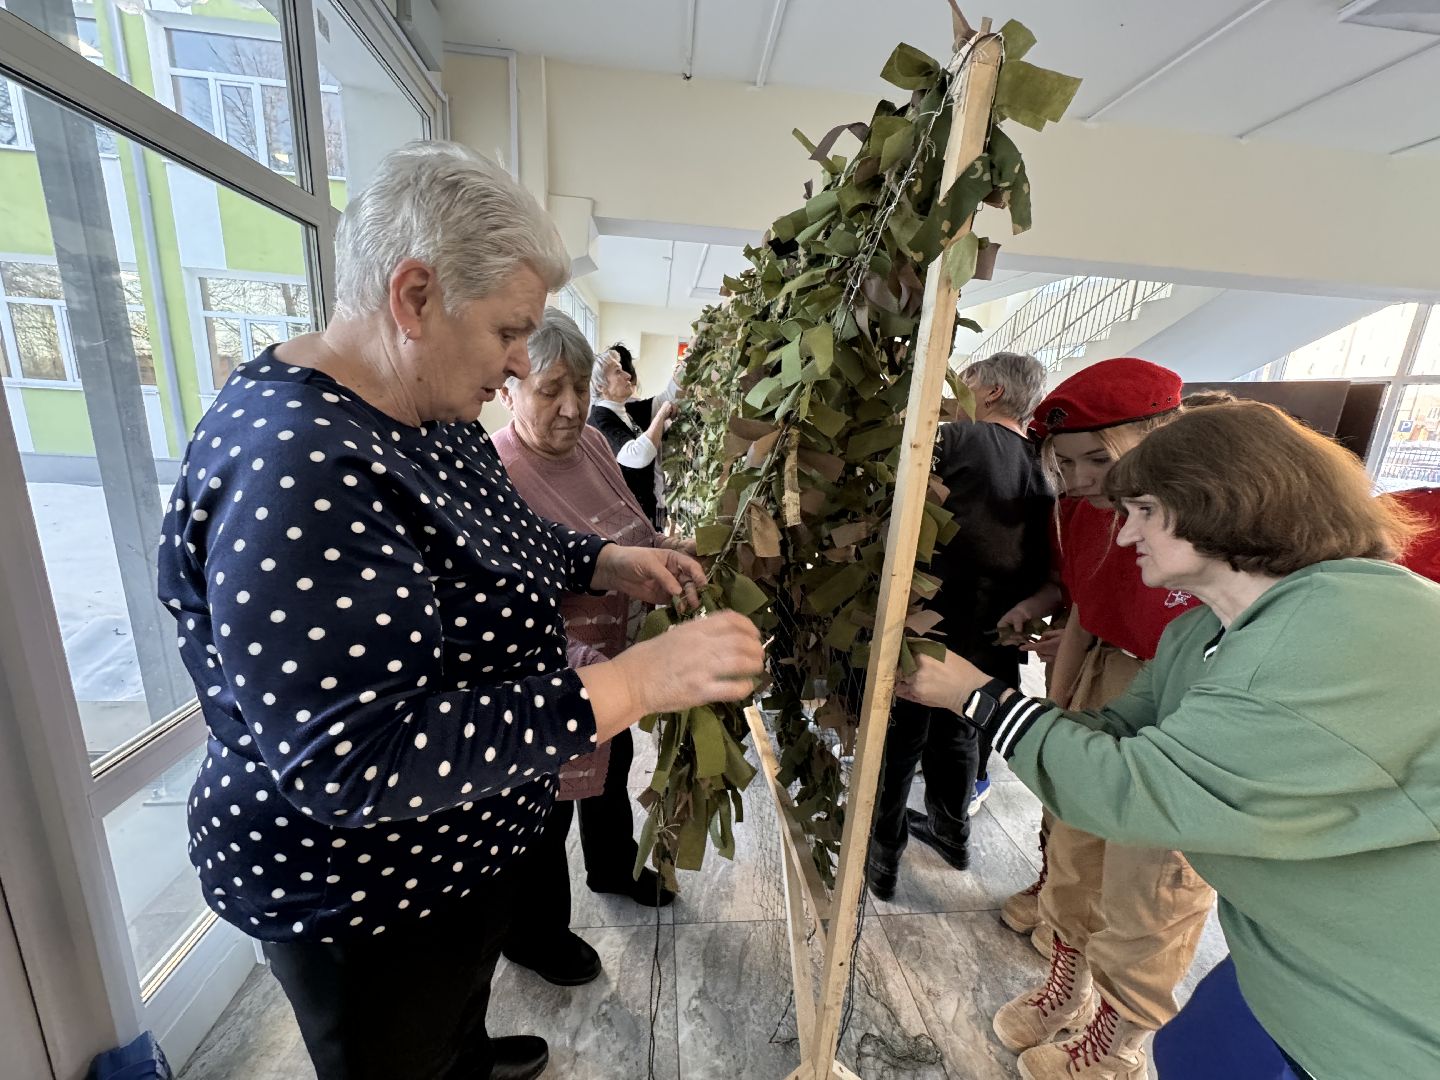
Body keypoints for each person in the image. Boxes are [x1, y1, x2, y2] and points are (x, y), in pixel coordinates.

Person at [155, 141, 765, 1080]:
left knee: (451, 1023)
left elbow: (498, 536)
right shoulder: (299, 465)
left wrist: (602, 559)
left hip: (456, 854)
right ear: (414, 298)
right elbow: (354, 761)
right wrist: (630, 683)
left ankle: (464, 1051)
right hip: (366, 900)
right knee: (398, 1052)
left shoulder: (429, 416)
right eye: (509, 334)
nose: (520, 364)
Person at [896, 399, 1440, 1080]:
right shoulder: (1205, 631)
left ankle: (1116, 1036)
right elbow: (1119, 735)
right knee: (1193, 1053)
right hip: (1299, 965)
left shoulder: (1341, 633)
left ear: (1224, 503)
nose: (1124, 537)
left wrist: (976, 695)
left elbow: (1134, 792)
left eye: (1144, 511)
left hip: (1390, 1013)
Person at [977, 358, 1217, 1079]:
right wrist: (1054, 715)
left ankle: (1118, 1039)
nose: (1080, 480)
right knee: (1075, 846)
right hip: (1099, 673)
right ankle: (1067, 988)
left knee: (1152, 878)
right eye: (1066, 462)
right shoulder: (1083, 510)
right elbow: (1084, 599)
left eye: (1096, 460)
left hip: (1189, 692)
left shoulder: (1216, 515)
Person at [491, 309, 692, 985]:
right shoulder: (497, 473)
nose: (573, 406)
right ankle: (535, 936)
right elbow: (504, 611)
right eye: (551, 389)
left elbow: (632, 532)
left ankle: (613, 866)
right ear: (509, 388)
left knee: (614, 764)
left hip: (617, 661)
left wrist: (673, 554)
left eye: (580, 385)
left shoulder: (595, 450)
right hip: (549, 674)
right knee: (542, 812)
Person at [867, 351, 1053, 900]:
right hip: (1000, 625)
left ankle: (882, 853)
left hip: (929, 615)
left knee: (899, 734)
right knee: (961, 728)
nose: (956, 389)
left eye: (965, 380)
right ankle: (953, 832)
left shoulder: (950, 442)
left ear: (990, 392)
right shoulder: (1046, 464)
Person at [587, 343, 680, 527]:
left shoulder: (625, 411)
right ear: (600, 386)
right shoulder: (600, 420)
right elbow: (637, 455)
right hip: (624, 521)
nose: (628, 376)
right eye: (618, 372)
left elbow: (668, 397)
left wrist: (691, 354)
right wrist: (661, 415)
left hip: (645, 511)